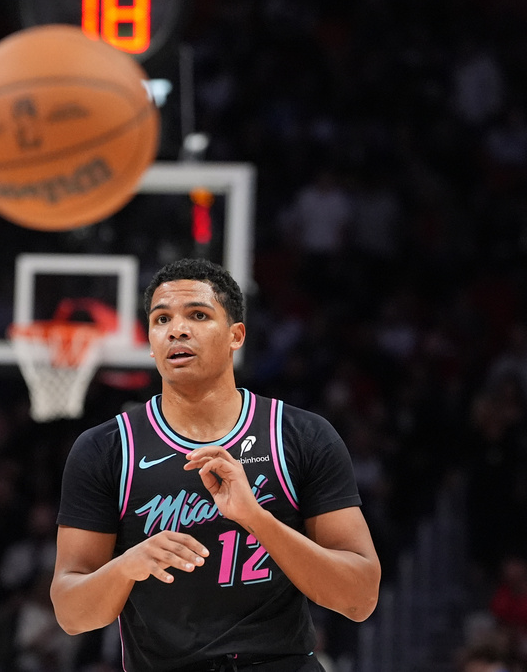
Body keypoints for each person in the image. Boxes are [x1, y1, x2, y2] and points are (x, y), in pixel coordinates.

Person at [50, 258, 381, 671]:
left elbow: (360, 599)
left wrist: (257, 519)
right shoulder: (106, 448)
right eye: (161, 319)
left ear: (235, 335)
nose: (177, 329)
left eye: (199, 315)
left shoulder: (300, 435)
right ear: (151, 342)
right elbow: (71, 613)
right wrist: (127, 566)